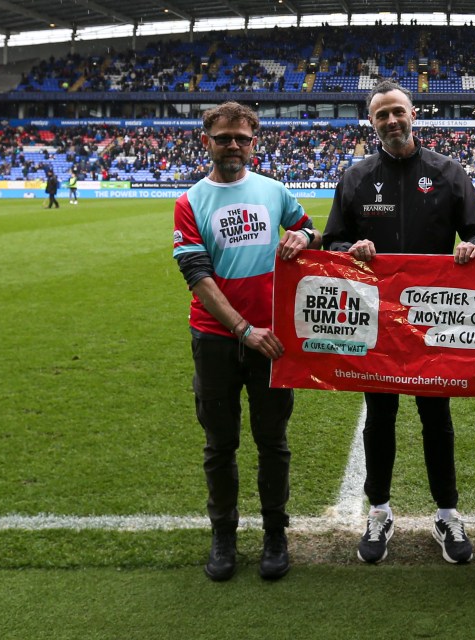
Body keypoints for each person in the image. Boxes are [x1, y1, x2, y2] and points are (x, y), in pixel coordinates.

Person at [324, 80, 475, 566]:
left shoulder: (448, 172)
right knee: (380, 419)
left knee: (436, 418)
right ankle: (378, 511)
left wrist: (473, 245)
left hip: (432, 320)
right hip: (376, 324)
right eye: (382, 116)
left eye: (398, 112)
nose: (392, 121)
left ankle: (446, 512)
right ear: (371, 122)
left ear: (413, 113)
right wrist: (348, 250)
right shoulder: (355, 178)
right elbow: (332, 242)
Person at [172, 101, 321, 582]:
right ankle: (224, 535)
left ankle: (276, 535)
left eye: (242, 138)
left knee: (273, 442)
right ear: (206, 141)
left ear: (255, 142)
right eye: (223, 138)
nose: (233, 146)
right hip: (218, 339)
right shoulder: (190, 200)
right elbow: (196, 275)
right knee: (220, 445)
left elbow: (308, 229)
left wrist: (305, 238)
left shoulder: (274, 190)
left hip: (272, 340)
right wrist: (242, 329)